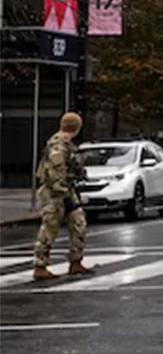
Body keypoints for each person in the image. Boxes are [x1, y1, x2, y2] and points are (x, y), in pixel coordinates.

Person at [32, 112, 92, 280]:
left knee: (79, 223)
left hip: (67, 191)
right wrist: (62, 192)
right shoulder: (58, 144)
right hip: (54, 193)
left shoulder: (67, 144)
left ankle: (76, 262)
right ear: (76, 127)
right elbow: (55, 172)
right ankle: (40, 266)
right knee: (50, 227)